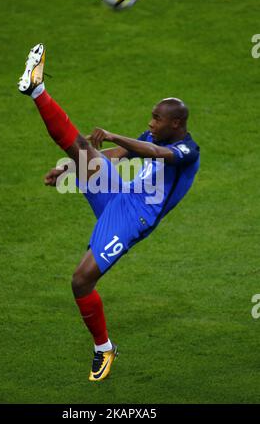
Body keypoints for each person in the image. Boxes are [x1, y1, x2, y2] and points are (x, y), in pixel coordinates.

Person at [18, 44, 200, 382]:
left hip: (135, 216)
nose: (151, 122)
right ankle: (37, 90)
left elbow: (153, 151)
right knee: (79, 147)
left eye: (156, 118)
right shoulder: (157, 134)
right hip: (121, 194)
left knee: (81, 280)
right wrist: (71, 167)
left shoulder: (188, 150)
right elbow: (120, 152)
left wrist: (113, 134)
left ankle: (104, 348)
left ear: (176, 123)